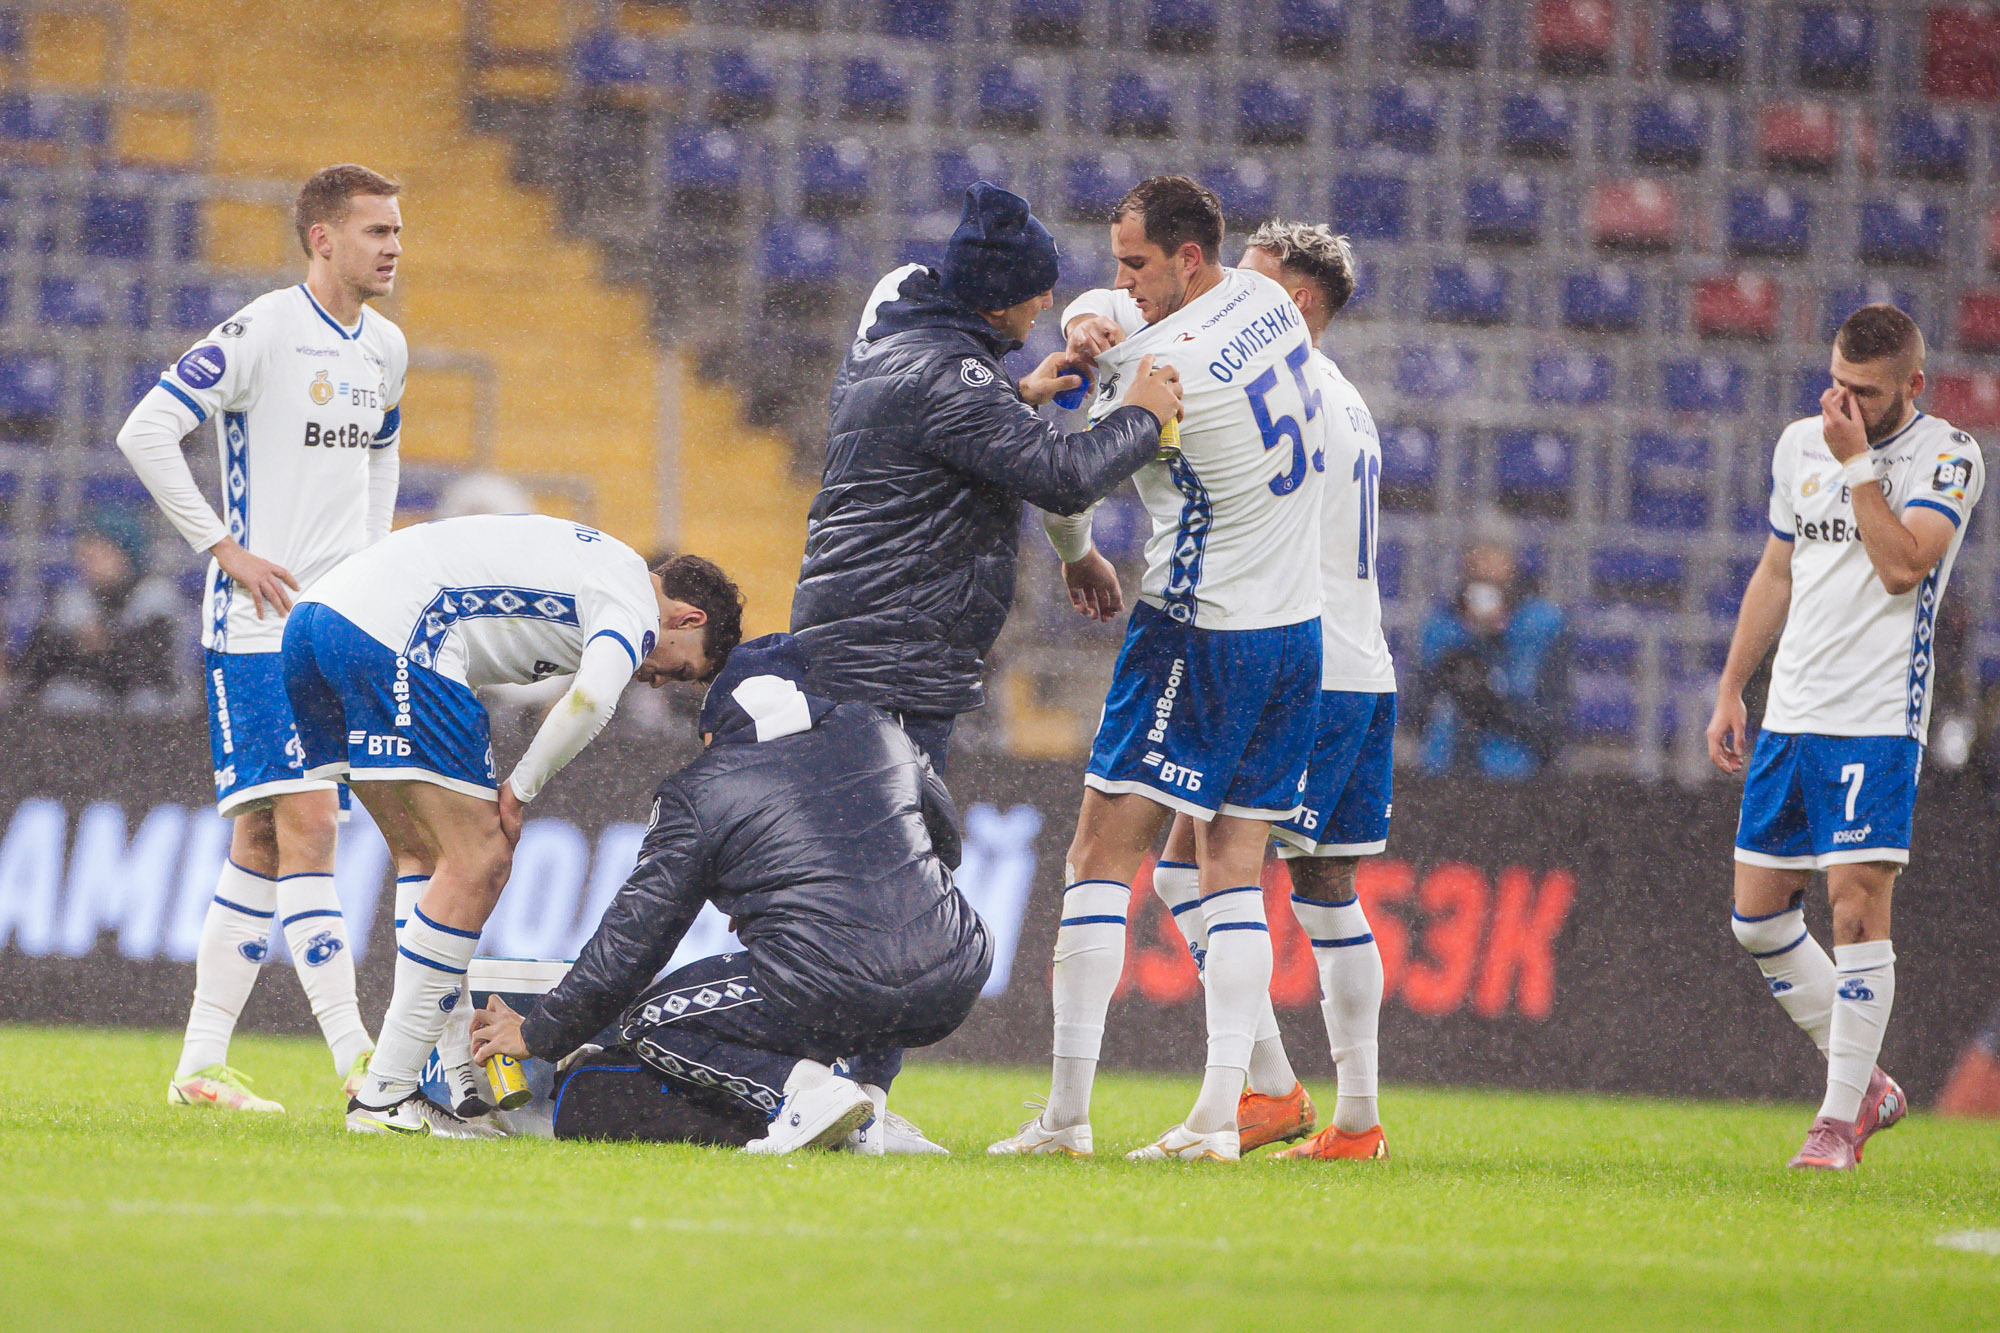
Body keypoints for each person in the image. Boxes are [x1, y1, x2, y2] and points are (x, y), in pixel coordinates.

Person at [988, 176, 1327, 1163]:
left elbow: (1065, 487)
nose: (1121, 283)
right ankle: (1220, 1122)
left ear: (1185, 259)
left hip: (1195, 629)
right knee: (1231, 871)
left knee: (1098, 855)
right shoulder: (1266, 304)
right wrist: (1103, 313)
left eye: (1136, 264)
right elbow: (1124, 317)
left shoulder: (1154, 361)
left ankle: (1065, 1120)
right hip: (1290, 631)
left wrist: (1074, 556)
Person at [1050, 219, 1395, 1160]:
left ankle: (1298, 1101)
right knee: (1296, 887)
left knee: (1219, 873)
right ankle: (1310, 1102)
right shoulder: (1340, 396)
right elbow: (1117, 308)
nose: (1231, 297)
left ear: (1292, 302)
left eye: (1254, 282)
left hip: (1284, 649)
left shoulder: (1248, 379)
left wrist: (1098, 362)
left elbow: (1104, 442)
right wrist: (1092, 315)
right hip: (1356, 661)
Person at [278, 512, 741, 1135]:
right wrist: (520, 790)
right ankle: (384, 1093)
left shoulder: (596, 564)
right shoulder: (632, 600)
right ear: (688, 619)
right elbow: (591, 699)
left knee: (424, 856)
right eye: (679, 667)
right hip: (401, 632)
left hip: (318, 623)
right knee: (482, 859)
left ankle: (444, 1074)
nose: (658, 679)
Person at [115, 163, 408, 1113]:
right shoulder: (262, 332)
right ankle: (359, 1060)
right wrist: (224, 547)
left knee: (260, 837)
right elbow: (146, 432)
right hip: (255, 623)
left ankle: (201, 1063)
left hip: (334, 626)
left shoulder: (388, 350)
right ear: (322, 239)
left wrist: (372, 571)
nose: (394, 247)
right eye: (375, 232)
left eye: (398, 231)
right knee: (312, 826)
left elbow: (381, 458)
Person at [470, 634, 992, 1155]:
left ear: (715, 730)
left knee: (651, 1020)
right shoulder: (877, 730)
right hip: (957, 969)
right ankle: (870, 1111)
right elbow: (943, 843)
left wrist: (539, 1033)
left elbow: (632, 944)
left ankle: (806, 1094)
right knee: (873, 970)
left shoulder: (700, 788)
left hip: (831, 977)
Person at [1706, 304, 1984, 1170]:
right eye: (1838, 384)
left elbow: (1904, 565)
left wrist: (1858, 464)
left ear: (1914, 385)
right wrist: (1731, 686)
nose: (1846, 403)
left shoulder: (1950, 455)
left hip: (1875, 718)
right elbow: (1778, 569)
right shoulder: (1801, 445)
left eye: (1866, 392)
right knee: (1757, 918)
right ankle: (1867, 1083)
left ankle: (1835, 1121)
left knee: (1856, 908)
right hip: (1791, 713)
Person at [789, 181, 1183, 774]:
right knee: (886, 853)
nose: (1048, 301)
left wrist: (1014, 396)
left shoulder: (899, 342)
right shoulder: (950, 374)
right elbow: (1064, 477)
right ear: (998, 302)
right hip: (889, 666)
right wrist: (1144, 414)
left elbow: (911, 434)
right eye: (1038, 288)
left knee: (875, 844)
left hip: (863, 650)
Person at [1412, 516, 1568, 779]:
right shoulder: (1440, 626)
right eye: (1476, 553)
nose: (1483, 566)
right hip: (1444, 770)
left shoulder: (1543, 624)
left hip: (1514, 774)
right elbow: (1416, 709)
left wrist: (1493, 702)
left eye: (1494, 553)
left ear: (1512, 561)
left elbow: (1553, 720)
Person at [13, 521, 186, 714]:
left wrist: (105, 641)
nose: (87, 563)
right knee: (65, 696)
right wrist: (78, 642)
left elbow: (154, 661)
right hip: (91, 693)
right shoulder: (74, 597)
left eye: (99, 554)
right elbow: (42, 656)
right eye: (84, 556)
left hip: (147, 695)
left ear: (124, 554)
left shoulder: (155, 594)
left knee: (145, 702)